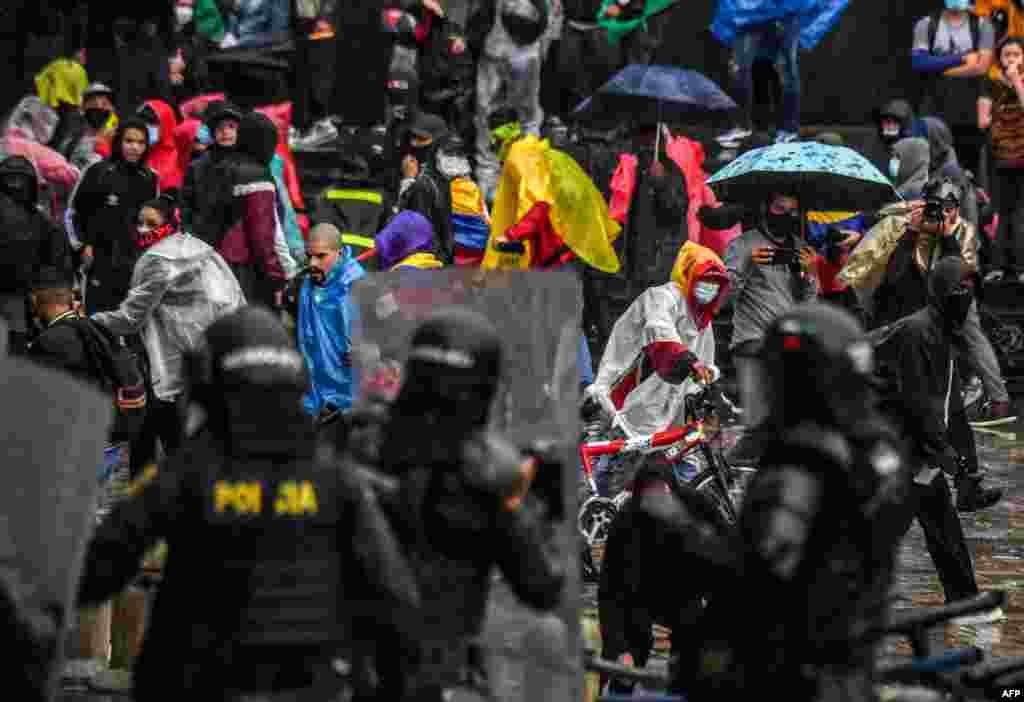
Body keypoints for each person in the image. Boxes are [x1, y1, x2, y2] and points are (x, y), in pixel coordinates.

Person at [75, 305, 420, 700]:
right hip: (313, 684)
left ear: (209, 382)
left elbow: (101, 564)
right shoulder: (335, 476)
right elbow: (392, 594)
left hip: (199, 680)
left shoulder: (186, 472)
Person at [676, 303, 911, 701]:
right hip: (852, 657)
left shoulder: (801, 468)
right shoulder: (876, 448)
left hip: (791, 677)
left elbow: (760, 578)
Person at [365, 307, 566, 701]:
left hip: (356, 668)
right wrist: (533, 509)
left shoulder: (358, 440)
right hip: (435, 673)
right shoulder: (484, 475)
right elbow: (540, 585)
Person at [876, 257, 1003, 618]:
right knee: (894, 528)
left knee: (939, 521)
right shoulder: (918, 332)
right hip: (896, 443)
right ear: (940, 292)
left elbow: (948, 405)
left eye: (970, 289)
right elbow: (917, 402)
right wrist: (943, 453)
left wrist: (960, 461)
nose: (965, 295)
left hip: (913, 445)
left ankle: (964, 600)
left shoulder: (944, 330)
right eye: (958, 289)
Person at [91, 194, 246, 474]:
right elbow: (233, 296)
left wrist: (91, 321)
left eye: (151, 223)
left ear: (170, 223)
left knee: (158, 433)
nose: (143, 229)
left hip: (170, 361)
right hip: (207, 353)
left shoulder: (157, 259)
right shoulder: (197, 247)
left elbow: (130, 318)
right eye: (139, 223)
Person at [844, 177, 1016, 427]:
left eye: (950, 208)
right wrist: (912, 226)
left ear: (958, 207)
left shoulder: (963, 228)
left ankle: (998, 401)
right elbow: (891, 274)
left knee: (970, 333)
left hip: (954, 293)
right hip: (911, 294)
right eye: (936, 206)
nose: (944, 214)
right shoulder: (906, 221)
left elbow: (960, 272)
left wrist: (947, 237)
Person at [587, 241, 728, 494]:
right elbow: (659, 331)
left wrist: (711, 386)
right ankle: (597, 503)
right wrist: (689, 362)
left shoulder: (702, 318)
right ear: (688, 275)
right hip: (639, 391)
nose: (710, 288)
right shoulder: (662, 297)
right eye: (705, 280)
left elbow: (706, 362)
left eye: (715, 284)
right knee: (623, 455)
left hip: (673, 402)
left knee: (682, 460)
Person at [598, 459, 735, 696]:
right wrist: (619, 649)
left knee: (694, 653)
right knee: (627, 659)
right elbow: (610, 591)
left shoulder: (697, 506)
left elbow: (730, 560)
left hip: (686, 592)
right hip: (639, 593)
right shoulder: (626, 521)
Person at [723, 192, 818, 463]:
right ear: (766, 208)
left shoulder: (801, 248)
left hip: (789, 344)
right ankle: (732, 472)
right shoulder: (742, 245)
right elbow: (723, 299)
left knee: (787, 422)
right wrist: (747, 267)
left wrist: (810, 273)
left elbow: (810, 304)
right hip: (753, 342)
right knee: (757, 421)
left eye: (792, 210)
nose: (786, 215)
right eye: (780, 208)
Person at [68, 118, 159, 314]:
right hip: (99, 260)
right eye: (129, 141)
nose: (135, 147)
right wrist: (83, 246)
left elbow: (154, 223)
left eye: (141, 142)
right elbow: (73, 213)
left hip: (133, 262)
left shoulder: (150, 178)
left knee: (129, 321)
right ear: (119, 142)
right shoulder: (98, 172)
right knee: (97, 320)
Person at [296, 222, 368, 423]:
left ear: (340, 253)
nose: (313, 263)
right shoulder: (307, 286)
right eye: (309, 255)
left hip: (351, 403)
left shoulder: (359, 285)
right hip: (317, 399)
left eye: (321, 256)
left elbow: (384, 336)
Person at [912, 1, 994, 176]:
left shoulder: (983, 25)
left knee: (968, 174)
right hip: (934, 112)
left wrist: (939, 68)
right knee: (932, 172)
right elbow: (919, 62)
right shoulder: (925, 24)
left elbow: (982, 67)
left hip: (969, 115)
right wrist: (962, 58)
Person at [0, 155, 70, 355]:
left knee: (15, 350)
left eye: (19, 180)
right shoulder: (41, 220)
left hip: (18, 296)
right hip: (17, 297)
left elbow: (54, 263)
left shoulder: (40, 221)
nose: (14, 186)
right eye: (9, 179)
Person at [715, 8, 803, 146]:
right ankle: (744, 127)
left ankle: (789, 129)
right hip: (751, 9)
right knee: (741, 67)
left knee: (786, 69)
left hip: (785, 10)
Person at [978, 36, 1024, 283]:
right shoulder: (990, 84)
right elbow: (982, 121)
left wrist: (1017, 82)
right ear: (1000, 58)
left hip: (1023, 155)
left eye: (1017, 54)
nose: (1012, 59)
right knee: (1000, 211)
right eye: (1007, 55)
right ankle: (997, 266)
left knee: (1021, 212)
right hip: (999, 155)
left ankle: (1020, 267)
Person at [181, 100, 244, 243]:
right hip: (202, 241)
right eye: (219, 127)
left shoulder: (248, 164)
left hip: (238, 244)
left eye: (231, 126)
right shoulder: (197, 167)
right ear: (211, 132)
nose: (225, 131)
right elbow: (186, 207)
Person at [398, 112, 455, 263]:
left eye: (421, 139)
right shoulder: (427, 170)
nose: (414, 144)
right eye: (413, 138)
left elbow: (409, 220)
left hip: (429, 258)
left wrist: (408, 180)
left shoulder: (428, 180)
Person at [137, 100, 184, 195]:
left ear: (166, 124)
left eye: (152, 123)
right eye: (143, 122)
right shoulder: (136, 152)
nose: (146, 127)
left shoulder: (177, 158)